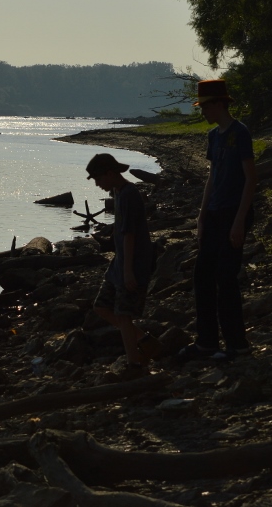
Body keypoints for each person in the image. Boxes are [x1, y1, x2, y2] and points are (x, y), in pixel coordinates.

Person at [180, 79, 258, 361]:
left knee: (226, 277)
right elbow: (212, 178)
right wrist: (201, 217)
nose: (202, 112)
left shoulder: (240, 133)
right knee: (202, 276)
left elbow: (250, 179)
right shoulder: (213, 136)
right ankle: (207, 342)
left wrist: (239, 221)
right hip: (214, 213)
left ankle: (237, 344)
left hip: (234, 212)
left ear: (219, 104)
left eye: (205, 107)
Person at [86, 153, 159, 376]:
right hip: (120, 262)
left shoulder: (129, 194)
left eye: (98, 178)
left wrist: (128, 271)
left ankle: (134, 364)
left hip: (133, 262)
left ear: (110, 173)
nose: (97, 184)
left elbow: (130, 234)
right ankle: (145, 341)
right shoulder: (117, 192)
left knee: (124, 314)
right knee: (101, 306)